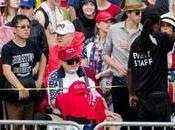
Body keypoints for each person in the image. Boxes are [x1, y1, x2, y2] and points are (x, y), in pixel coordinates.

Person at [127, 7, 175, 127]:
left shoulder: (135, 43)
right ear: (158, 22)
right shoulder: (160, 39)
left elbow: (129, 71)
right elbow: (172, 39)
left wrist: (131, 94)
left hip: (141, 99)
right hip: (160, 99)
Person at [102, 0, 145, 124]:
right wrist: (116, 65)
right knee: (120, 119)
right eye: (137, 12)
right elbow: (105, 54)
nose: (140, 15)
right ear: (128, 13)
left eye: (141, 12)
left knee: (137, 121)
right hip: (119, 81)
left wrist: (132, 47)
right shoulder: (114, 30)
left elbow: (148, 57)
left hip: (138, 83)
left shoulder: (144, 32)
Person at [1, 15, 46, 126]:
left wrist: (39, 80)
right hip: (14, 96)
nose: (27, 29)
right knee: (14, 126)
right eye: (22, 27)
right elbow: (6, 71)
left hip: (30, 94)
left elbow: (43, 58)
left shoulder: (32, 45)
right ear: (14, 30)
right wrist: (20, 88)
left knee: (28, 126)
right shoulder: (8, 48)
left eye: (28, 26)